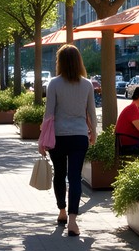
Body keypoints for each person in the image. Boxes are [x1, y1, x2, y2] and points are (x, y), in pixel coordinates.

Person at [39, 44, 97, 237]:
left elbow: (49, 114)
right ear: (79, 61)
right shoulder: (87, 84)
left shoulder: (53, 83)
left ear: (60, 62)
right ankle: (73, 220)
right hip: (80, 136)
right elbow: (91, 112)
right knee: (75, 177)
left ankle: (62, 211)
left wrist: (42, 140)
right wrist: (94, 133)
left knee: (59, 174)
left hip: (58, 136)